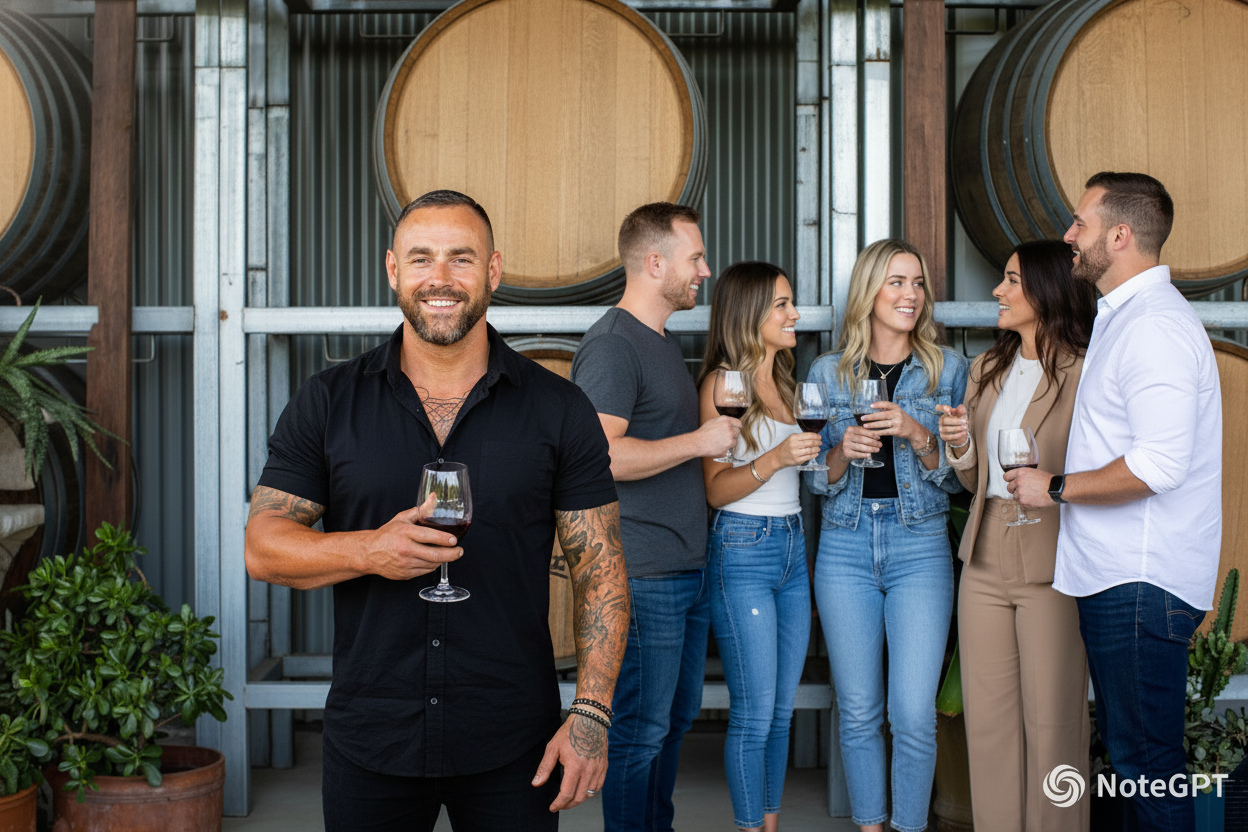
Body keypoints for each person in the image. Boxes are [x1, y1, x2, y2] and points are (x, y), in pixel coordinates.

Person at [244, 190, 629, 832]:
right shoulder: (328, 401)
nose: (441, 279)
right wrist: (369, 550)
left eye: (461, 258)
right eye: (421, 259)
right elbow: (264, 546)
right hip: (372, 735)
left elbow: (602, 571)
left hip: (513, 741)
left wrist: (590, 714)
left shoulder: (558, 408)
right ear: (393, 270)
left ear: (494, 272)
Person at [1009, 172, 1221, 832]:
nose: (1068, 236)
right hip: (1125, 577)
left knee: (1146, 764)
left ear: (1121, 235)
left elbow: (1158, 464)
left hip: (1140, 580)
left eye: (1080, 224)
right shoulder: (1126, 317)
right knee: (1137, 762)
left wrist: (1057, 488)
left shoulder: (1154, 327)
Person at [570, 202, 739, 832]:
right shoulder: (614, 345)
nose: (705, 269)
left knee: (669, 724)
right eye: (695, 257)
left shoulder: (661, 342)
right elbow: (601, 455)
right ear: (655, 261)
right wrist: (699, 442)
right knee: (641, 732)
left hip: (682, 569)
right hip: (642, 573)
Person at [805, 238, 968, 832]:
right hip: (845, 547)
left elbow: (957, 479)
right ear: (870, 291)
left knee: (912, 713)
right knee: (856, 711)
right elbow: (815, 480)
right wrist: (842, 454)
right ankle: (870, 825)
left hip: (919, 546)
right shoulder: (828, 371)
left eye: (918, 283)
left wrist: (917, 433)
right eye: (897, 282)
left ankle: (908, 827)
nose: (910, 295)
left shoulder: (947, 369)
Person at [936, 240, 1095, 832]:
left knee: (1054, 722)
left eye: (1011, 281)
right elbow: (977, 477)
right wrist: (957, 443)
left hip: (1054, 552)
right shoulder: (987, 368)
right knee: (990, 720)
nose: (998, 292)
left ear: (1048, 290)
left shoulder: (1086, 372)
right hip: (983, 551)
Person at [695, 262, 821, 832]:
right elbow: (717, 491)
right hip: (744, 548)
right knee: (751, 715)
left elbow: (807, 467)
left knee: (779, 711)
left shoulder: (786, 382)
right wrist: (774, 458)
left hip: (794, 546)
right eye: (782, 305)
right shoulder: (724, 385)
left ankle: (769, 825)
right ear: (750, 315)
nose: (794, 314)